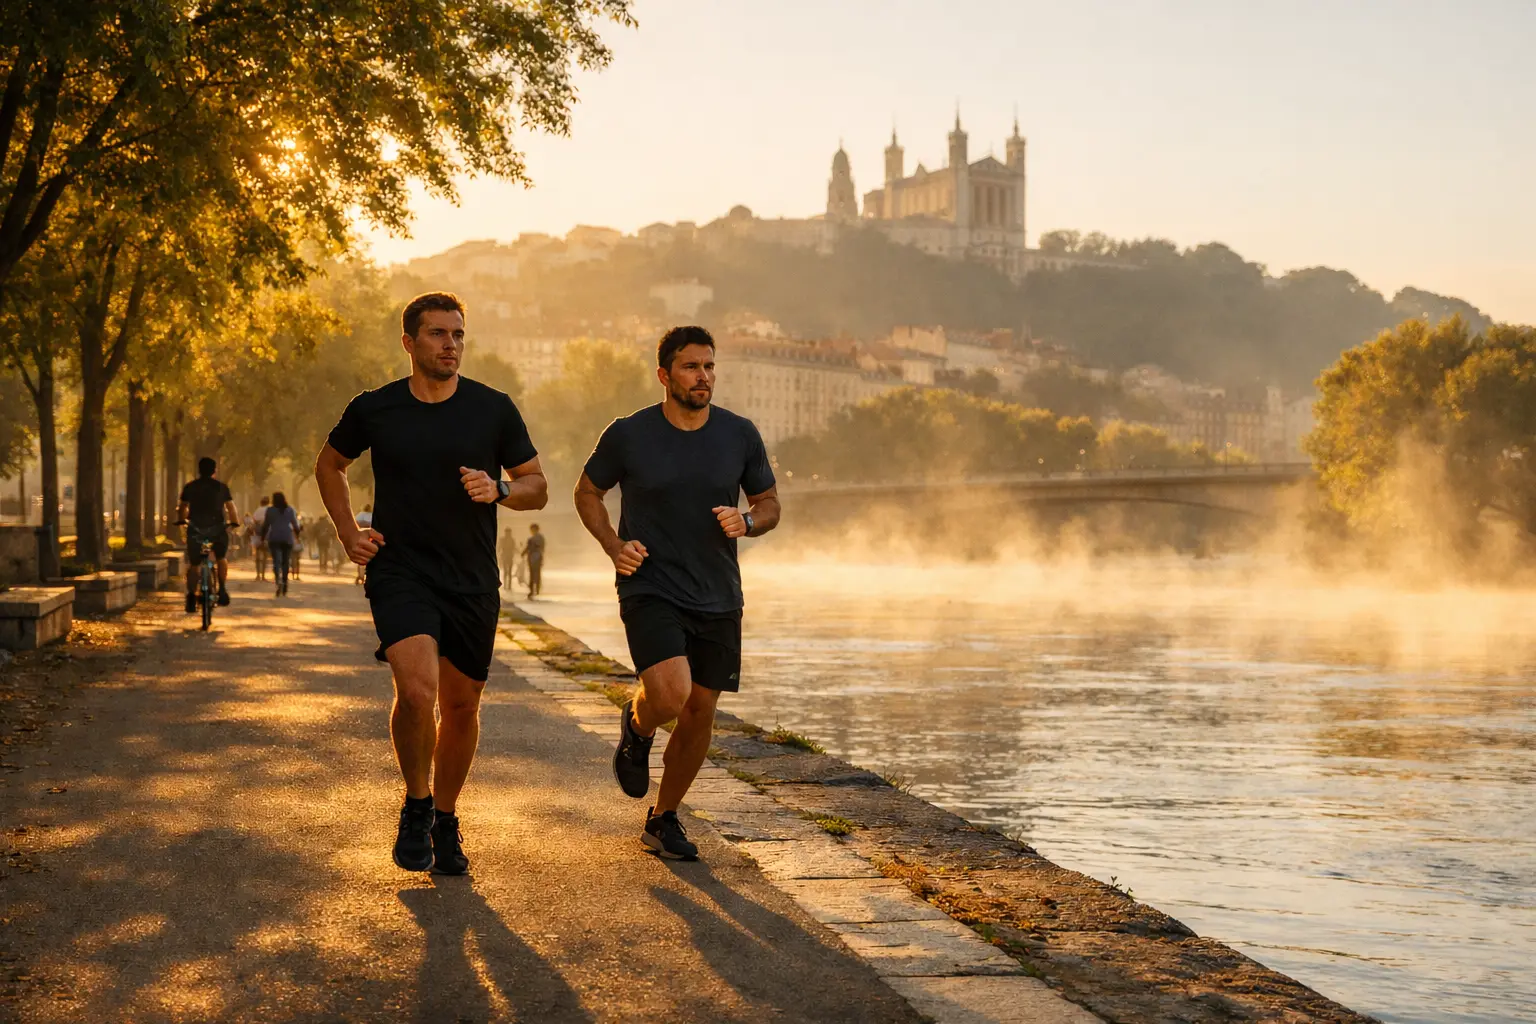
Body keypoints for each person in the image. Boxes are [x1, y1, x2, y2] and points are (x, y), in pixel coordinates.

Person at [315, 291, 547, 875]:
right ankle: (417, 803)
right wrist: (349, 534)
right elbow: (329, 464)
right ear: (409, 342)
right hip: (400, 569)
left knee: (462, 705)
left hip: (470, 577)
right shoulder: (376, 408)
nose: (452, 345)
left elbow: (536, 485)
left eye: (459, 335)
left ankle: (446, 815)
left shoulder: (493, 409)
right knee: (417, 693)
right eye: (439, 334)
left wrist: (499, 490)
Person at [575, 325, 780, 860]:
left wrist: (748, 522)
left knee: (700, 711)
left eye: (710, 366)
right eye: (692, 367)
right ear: (665, 375)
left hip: (718, 592)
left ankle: (663, 819)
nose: (703, 377)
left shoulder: (739, 434)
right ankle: (639, 722)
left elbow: (769, 503)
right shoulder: (628, 434)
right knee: (671, 694)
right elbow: (588, 491)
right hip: (650, 584)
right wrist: (612, 544)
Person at [177, 456, 241, 613]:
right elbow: (231, 509)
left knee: (194, 564)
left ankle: (191, 596)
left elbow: (182, 508)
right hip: (216, 531)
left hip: (196, 530)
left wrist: (181, 521)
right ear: (214, 470)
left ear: (198, 470)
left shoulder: (190, 487)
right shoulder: (221, 487)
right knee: (220, 557)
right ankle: (223, 589)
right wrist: (234, 523)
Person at [261, 492, 300, 596]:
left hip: (274, 538)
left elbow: (266, 525)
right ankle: (285, 581)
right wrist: (297, 535)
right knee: (286, 562)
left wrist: (262, 537)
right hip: (287, 538)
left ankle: (278, 581)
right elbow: (295, 525)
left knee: (276, 561)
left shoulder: (270, 510)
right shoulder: (289, 509)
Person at [521, 523, 546, 600]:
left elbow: (532, 547)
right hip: (534, 558)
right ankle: (534, 590)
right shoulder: (535, 538)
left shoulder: (535, 538)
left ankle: (534, 590)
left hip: (536, 558)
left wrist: (523, 553)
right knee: (534, 574)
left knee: (534, 574)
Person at [252, 496, 271, 580]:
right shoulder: (270, 510)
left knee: (257, 555)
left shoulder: (257, 510)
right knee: (265, 555)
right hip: (267, 535)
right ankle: (263, 575)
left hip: (257, 535)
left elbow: (254, 521)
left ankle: (257, 575)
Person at [354, 504, 373, 585]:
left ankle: (360, 575)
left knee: (360, 558)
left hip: (361, 538)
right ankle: (367, 575)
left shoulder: (360, 515)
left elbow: (354, 524)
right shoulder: (372, 516)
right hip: (372, 539)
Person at [499, 526, 517, 591]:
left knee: (508, 572)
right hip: (505, 557)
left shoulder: (511, 540)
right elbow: (499, 548)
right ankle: (506, 585)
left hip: (509, 557)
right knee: (505, 572)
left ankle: (508, 586)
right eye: (507, 532)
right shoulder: (503, 540)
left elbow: (514, 548)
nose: (508, 533)